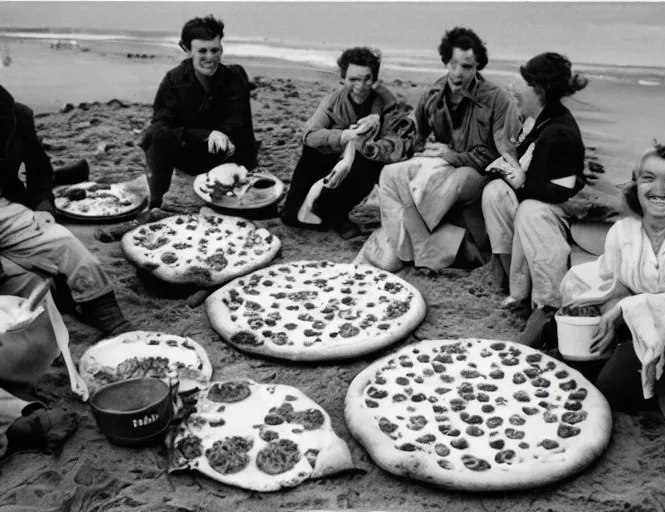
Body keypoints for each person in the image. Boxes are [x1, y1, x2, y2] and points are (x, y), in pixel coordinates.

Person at [560, 143, 665, 487]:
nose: (659, 190)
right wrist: (607, 304)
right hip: (648, 336)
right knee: (609, 390)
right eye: (648, 178)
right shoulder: (622, 233)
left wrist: (635, 306)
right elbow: (616, 285)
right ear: (635, 183)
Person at [356, 27, 522, 271]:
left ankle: (414, 244)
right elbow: (413, 133)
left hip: (479, 175)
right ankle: (405, 244)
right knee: (390, 174)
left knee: (458, 178)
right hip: (442, 166)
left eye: (466, 67)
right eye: (453, 64)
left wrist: (448, 155)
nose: (457, 73)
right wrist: (376, 145)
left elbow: (504, 157)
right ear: (446, 61)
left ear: (477, 67)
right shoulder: (435, 92)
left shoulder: (497, 100)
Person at [0, 85, 132, 336]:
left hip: (6, 206)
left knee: (63, 241)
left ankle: (105, 310)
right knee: (29, 285)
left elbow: (39, 169)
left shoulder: (17, 114)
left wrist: (42, 207)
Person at [480, 52, 589, 347]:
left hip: (554, 209)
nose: (515, 87)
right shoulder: (543, 119)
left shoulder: (558, 132)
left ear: (539, 89)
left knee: (528, 209)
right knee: (495, 193)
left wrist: (522, 183)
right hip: (545, 193)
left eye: (524, 81)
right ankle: (509, 284)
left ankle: (547, 306)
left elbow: (560, 188)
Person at [281, 47, 416, 239]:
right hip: (331, 160)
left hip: (366, 164)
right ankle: (306, 205)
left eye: (366, 79)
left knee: (369, 163)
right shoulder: (332, 101)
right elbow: (309, 135)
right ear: (343, 78)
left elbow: (400, 144)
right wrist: (343, 136)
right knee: (291, 215)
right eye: (353, 79)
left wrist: (373, 130)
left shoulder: (387, 103)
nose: (360, 86)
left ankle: (338, 214)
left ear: (374, 79)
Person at [140, 15, 258, 209]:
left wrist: (224, 135)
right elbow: (160, 124)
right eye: (202, 51)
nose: (210, 58)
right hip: (189, 153)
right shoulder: (173, 80)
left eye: (215, 50)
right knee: (154, 134)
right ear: (186, 49)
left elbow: (238, 122)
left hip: (227, 154)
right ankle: (156, 200)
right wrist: (205, 135)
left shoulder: (234, 76)